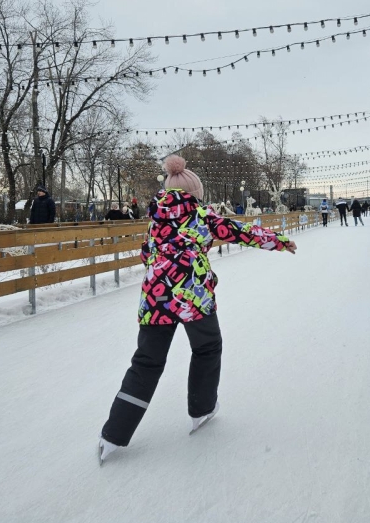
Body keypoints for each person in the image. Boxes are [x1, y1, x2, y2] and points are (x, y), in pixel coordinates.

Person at [99, 155, 297, 463]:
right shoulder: (201, 215)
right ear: (195, 192)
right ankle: (202, 409)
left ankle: (113, 434)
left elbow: (145, 254)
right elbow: (242, 232)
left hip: (155, 299)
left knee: (146, 363)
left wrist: (165, 268)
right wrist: (280, 241)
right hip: (194, 297)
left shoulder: (155, 219)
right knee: (207, 348)